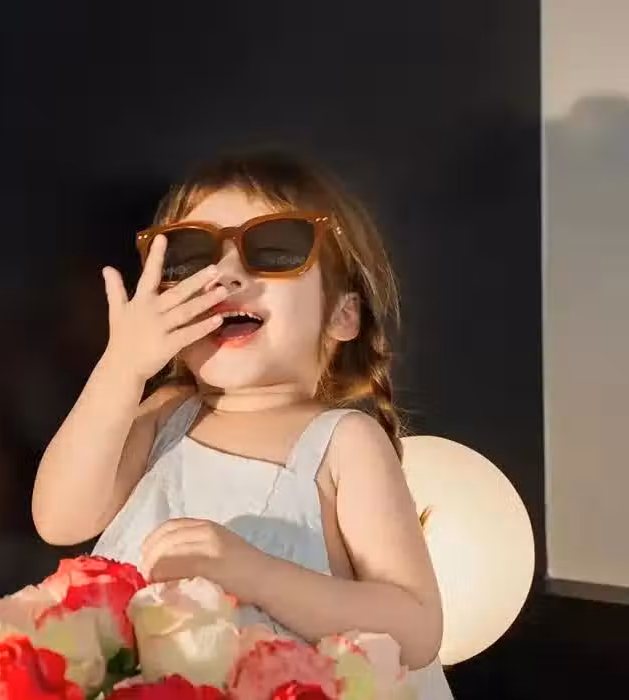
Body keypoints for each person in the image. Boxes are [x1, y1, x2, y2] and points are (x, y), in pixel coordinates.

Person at [32, 152, 454, 698]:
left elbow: (415, 628)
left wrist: (255, 574)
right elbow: (60, 519)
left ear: (342, 314)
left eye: (275, 249)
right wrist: (122, 367)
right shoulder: (165, 414)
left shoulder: (342, 443)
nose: (224, 275)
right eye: (191, 256)